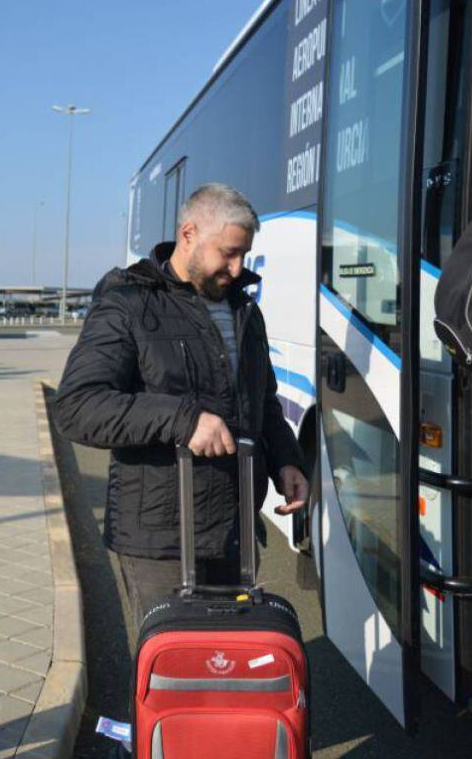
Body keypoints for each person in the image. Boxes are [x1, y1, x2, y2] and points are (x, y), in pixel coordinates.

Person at [55, 183, 309, 624]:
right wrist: (183, 419)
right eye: (227, 253)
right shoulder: (127, 304)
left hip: (235, 529)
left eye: (244, 254)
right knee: (177, 678)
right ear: (188, 234)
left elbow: (262, 400)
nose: (237, 267)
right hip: (163, 542)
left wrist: (287, 459)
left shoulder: (245, 312)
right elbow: (77, 407)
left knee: (232, 671)